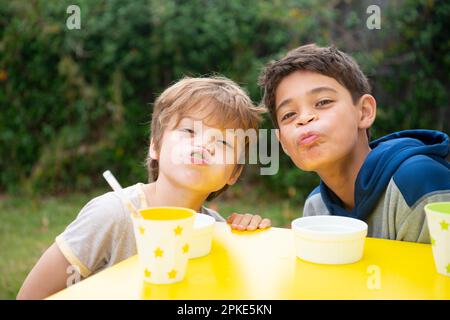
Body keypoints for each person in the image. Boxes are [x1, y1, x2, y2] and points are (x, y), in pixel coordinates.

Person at [17, 76, 271, 299]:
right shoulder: (112, 215)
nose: (204, 145)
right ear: (155, 147)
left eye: (224, 142)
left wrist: (245, 236)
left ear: (233, 173)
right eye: (189, 130)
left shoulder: (215, 231)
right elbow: (32, 296)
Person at [259, 43, 450, 243]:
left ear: (364, 112)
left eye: (323, 102)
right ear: (282, 143)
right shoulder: (316, 208)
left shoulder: (419, 184)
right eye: (289, 114)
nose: (304, 118)